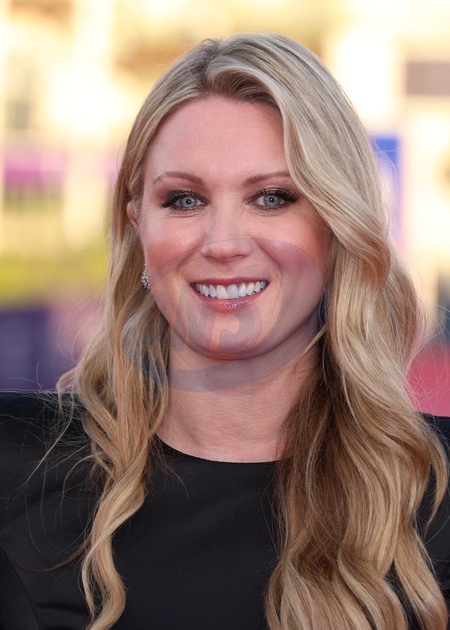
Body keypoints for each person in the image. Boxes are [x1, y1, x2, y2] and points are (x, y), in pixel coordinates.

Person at [0, 32, 449, 630]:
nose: (223, 244)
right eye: (185, 200)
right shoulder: (16, 463)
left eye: (272, 198)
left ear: (338, 225)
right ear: (138, 224)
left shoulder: (435, 492)